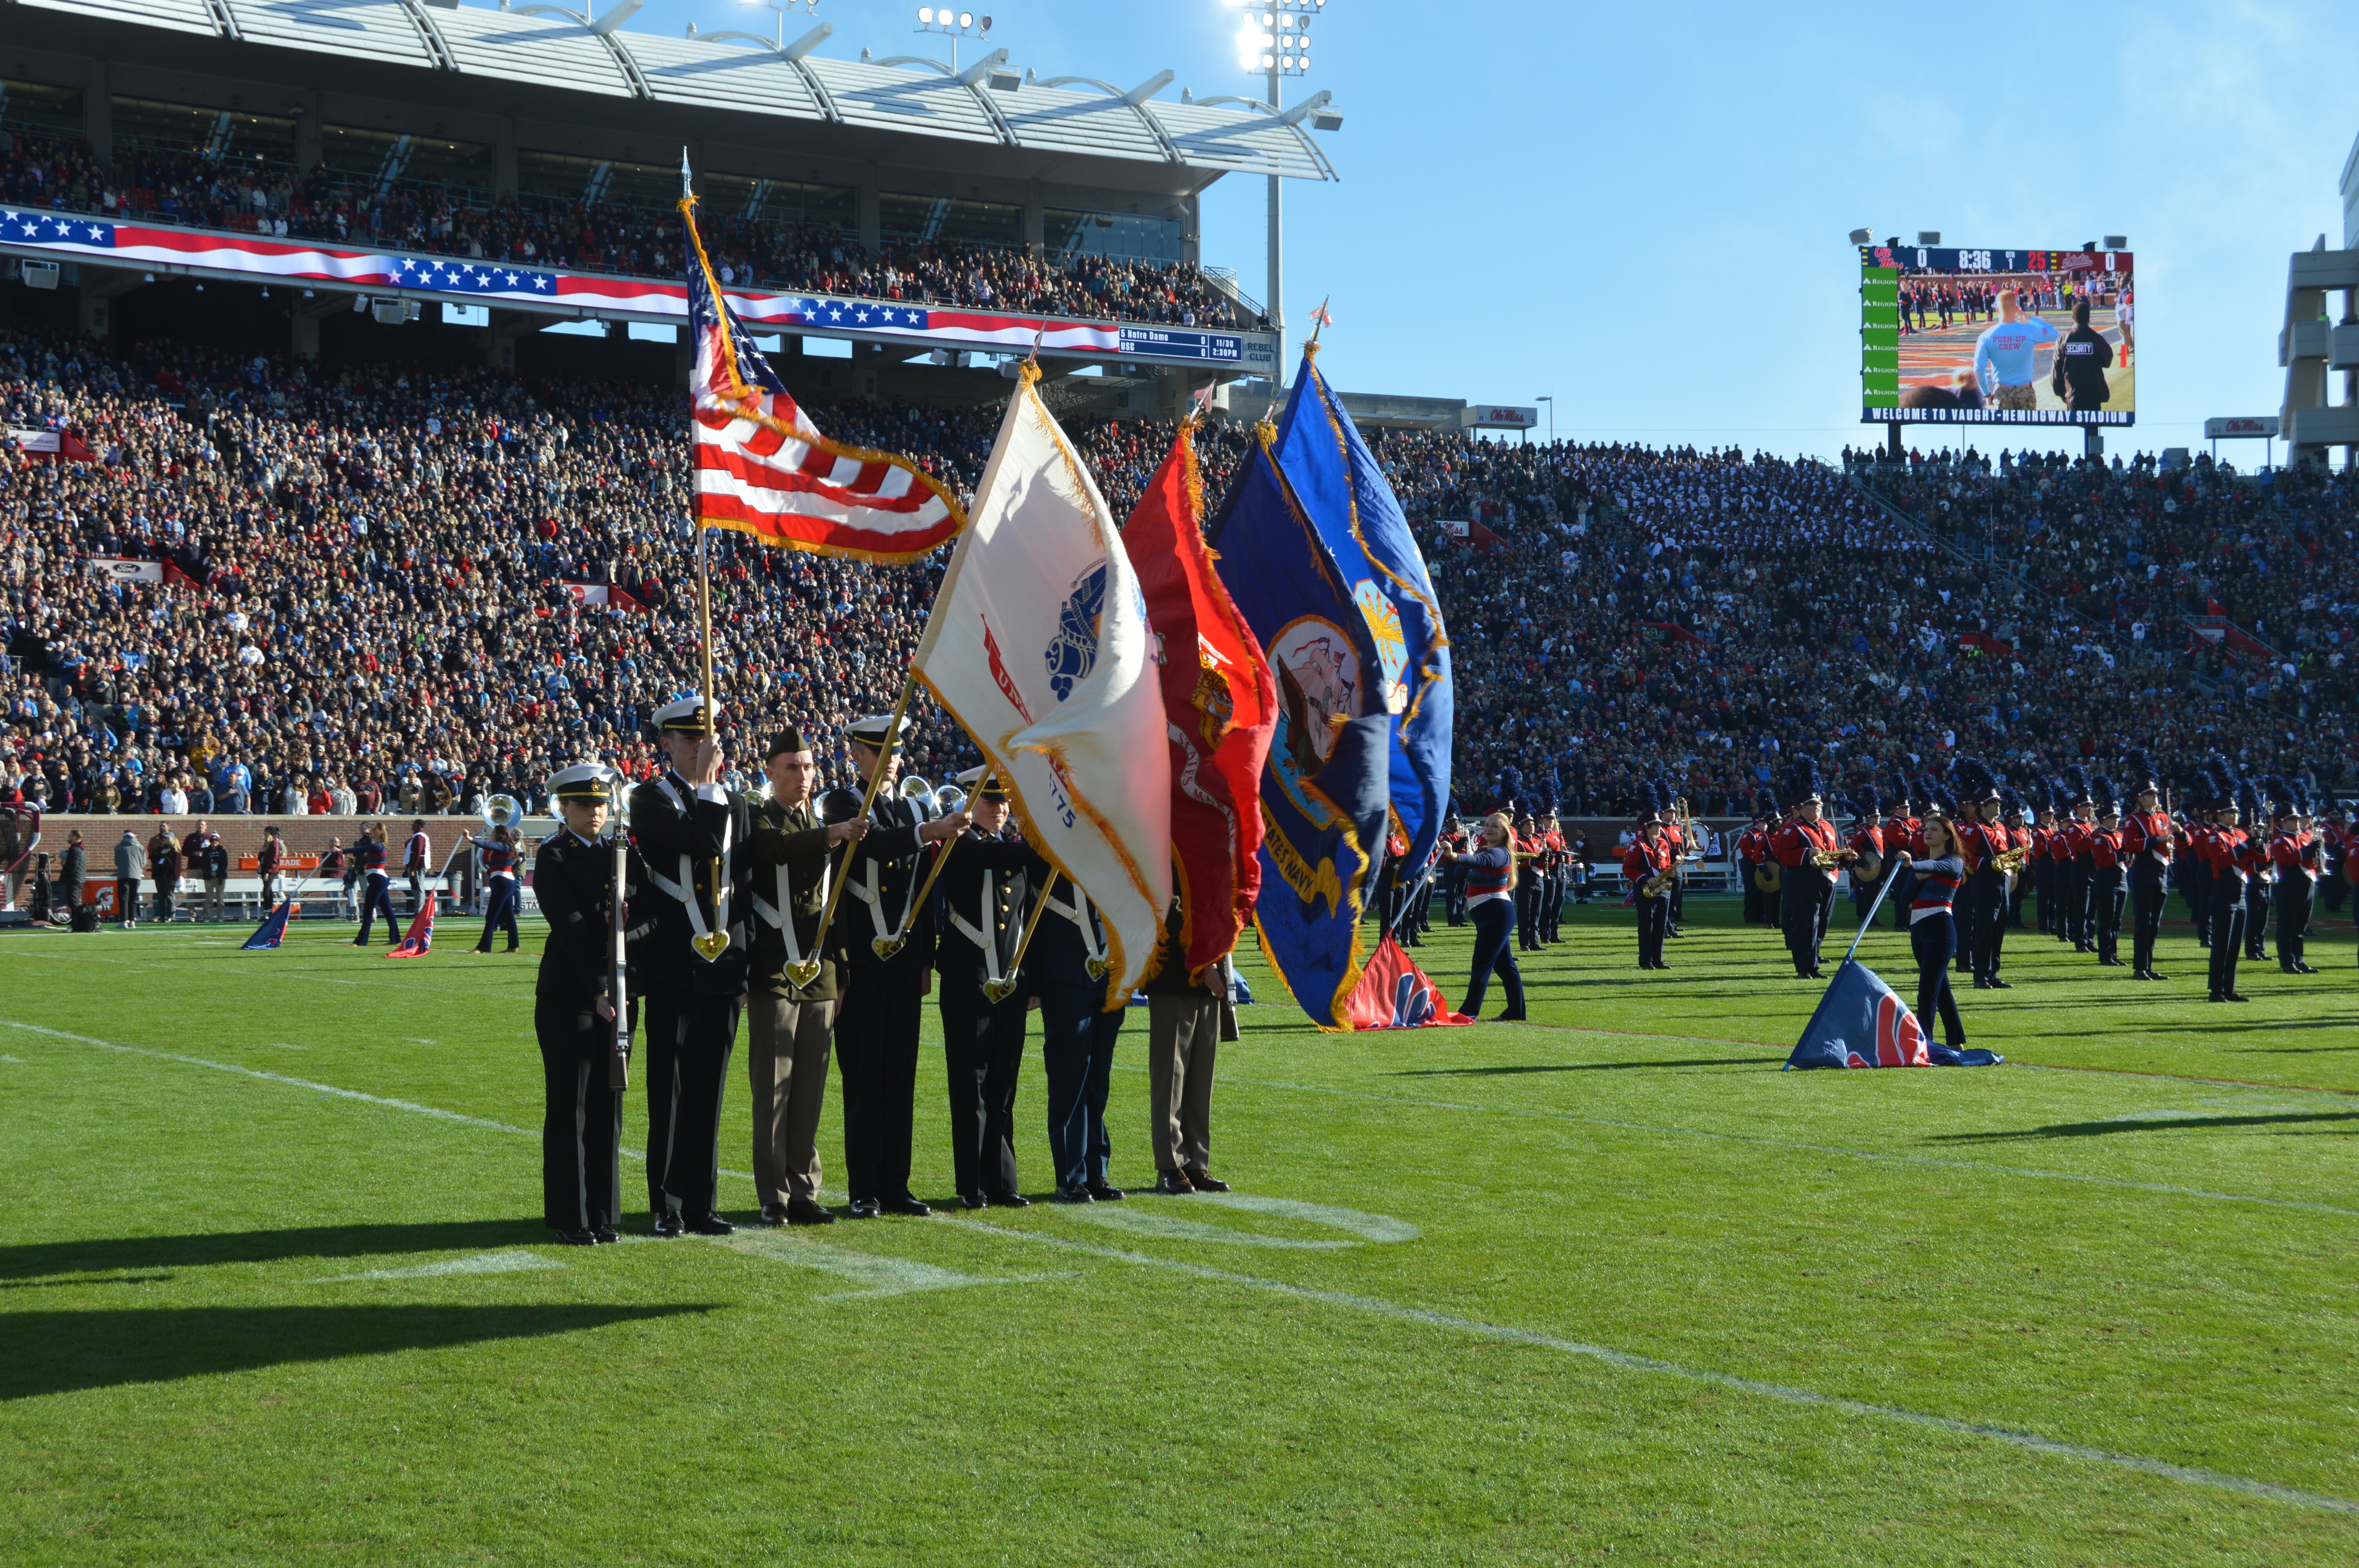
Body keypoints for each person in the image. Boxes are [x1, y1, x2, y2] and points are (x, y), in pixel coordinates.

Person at [630, 693, 754, 1238]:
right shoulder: (650, 798)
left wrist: (746, 960)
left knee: (710, 1091)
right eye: (689, 739)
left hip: (724, 966)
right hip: (675, 965)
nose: (703, 748)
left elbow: (744, 882)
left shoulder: (736, 800)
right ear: (668, 744)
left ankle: (703, 1204)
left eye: (710, 739)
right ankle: (668, 1204)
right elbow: (699, 842)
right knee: (673, 1091)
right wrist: (707, 787)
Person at [834, 712, 966, 1219]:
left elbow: (922, 892)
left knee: (899, 1080)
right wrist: (930, 830)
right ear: (858, 756)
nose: (888, 762)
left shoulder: (910, 804)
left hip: (902, 962)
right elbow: (876, 844)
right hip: (863, 964)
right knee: (865, 1079)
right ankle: (864, 1187)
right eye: (877, 753)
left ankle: (896, 1184)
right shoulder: (847, 803)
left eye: (893, 753)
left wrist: (925, 960)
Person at [744, 724, 865, 1227]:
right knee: (774, 1085)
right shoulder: (756, 817)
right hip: (773, 968)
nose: (803, 776)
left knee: (810, 1088)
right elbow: (774, 851)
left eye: (810, 767)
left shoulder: (817, 821)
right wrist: (832, 834)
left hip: (818, 974)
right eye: (792, 767)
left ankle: (803, 1190)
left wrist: (839, 977)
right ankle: (773, 1193)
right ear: (770, 772)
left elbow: (830, 909)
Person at [531, 763, 641, 1246]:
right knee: (571, 1105)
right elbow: (570, 925)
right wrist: (599, 985)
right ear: (565, 808)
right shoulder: (554, 856)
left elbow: (649, 918)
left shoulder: (624, 854)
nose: (595, 812)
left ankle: (603, 1212)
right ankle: (571, 1215)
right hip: (572, 996)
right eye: (584, 804)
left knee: (608, 1105)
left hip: (620, 993)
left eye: (601, 804)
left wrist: (628, 935)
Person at [934, 767, 1038, 1209]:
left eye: (1004, 802)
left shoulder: (1008, 847)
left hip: (1009, 984)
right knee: (971, 1083)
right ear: (971, 803)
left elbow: (1025, 918)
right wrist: (1041, 842)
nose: (1000, 809)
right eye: (991, 801)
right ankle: (973, 1184)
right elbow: (991, 862)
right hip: (969, 978)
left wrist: (1030, 979)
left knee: (1003, 1084)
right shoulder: (958, 845)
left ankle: (1003, 1180)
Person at [1028, 833, 1127, 1205]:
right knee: (1070, 1077)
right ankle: (1070, 1176)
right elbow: (1030, 916)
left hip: (1107, 975)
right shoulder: (1046, 842)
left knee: (1097, 1077)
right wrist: (1035, 981)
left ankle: (1096, 1172)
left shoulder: (1112, 846)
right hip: (1064, 975)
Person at [1142, 890, 1230, 1196]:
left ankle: (1196, 1163)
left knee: (1200, 1077)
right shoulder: (1171, 845)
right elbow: (1170, 910)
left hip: (1211, 976)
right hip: (1175, 974)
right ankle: (1170, 1163)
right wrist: (1200, 964)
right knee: (1172, 1076)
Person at [1886, 804, 1968, 1053]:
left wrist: (1916, 868)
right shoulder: (1923, 865)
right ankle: (1956, 1040)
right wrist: (1918, 873)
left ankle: (1925, 1045)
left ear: (1947, 836)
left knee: (1926, 992)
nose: (1928, 833)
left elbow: (1936, 868)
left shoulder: (1954, 862)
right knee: (1940, 990)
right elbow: (1905, 898)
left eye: (1934, 830)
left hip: (1940, 930)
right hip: (1919, 931)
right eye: (1925, 830)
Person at [1769, 760, 1852, 979]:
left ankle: (1813, 964)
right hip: (1803, 880)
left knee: (1821, 923)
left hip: (1828, 879)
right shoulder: (1792, 828)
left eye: (1819, 804)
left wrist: (1847, 858)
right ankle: (1804, 968)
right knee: (1806, 923)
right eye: (1813, 805)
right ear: (1801, 808)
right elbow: (1783, 854)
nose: (1818, 807)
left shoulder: (1827, 826)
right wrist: (1808, 855)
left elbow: (1834, 852)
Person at [1451, 811, 1526, 1020]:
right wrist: (1463, 854)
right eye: (1487, 825)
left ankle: (1468, 1013)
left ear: (1504, 833)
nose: (1489, 829)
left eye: (1495, 826)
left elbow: (1485, 862)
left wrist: (1457, 857)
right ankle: (1516, 1011)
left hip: (1497, 914)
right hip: (1488, 916)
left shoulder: (1501, 853)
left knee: (1481, 964)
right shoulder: (1482, 851)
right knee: (1505, 966)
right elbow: (1459, 876)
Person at [2118, 752, 2175, 981]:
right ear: (2140, 798)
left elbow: (2186, 843)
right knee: (2144, 922)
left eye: (2156, 794)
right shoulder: (2133, 819)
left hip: (2162, 872)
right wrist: (2157, 841)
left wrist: (2179, 833)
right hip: (2144, 872)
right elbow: (2129, 845)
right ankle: (2139, 968)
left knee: (2155, 923)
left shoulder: (2164, 816)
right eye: (2151, 795)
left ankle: (2149, 965)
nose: (2156, 797)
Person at [2198, 768, 2250, 1003]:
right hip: (2224, 892)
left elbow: (2259, 860)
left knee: (2235, 946)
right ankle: (2215, 990)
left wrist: (2260, 848)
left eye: (2236, 812)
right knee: (2221, 944)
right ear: (2219, 816)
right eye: (2231, 813)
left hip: (2240, 892)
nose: (2236, 815)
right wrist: (2244, 849)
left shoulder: (2240, 833)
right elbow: (2222, 861)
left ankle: (2229, 988)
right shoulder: (2214, 836)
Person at [2266, 779, 2321, 976]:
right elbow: (2288, 859)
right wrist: (2308, 851)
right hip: (2290, 887)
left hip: (2308, 884)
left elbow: (2312, 860)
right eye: (2294, 820)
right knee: (2287, 926)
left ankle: (2299, 959)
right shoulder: (2280, 840)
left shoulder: (2304, 837)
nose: (2299, 822)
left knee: (2300, 927)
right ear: (2283, 823)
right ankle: (2287, 962)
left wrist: (2317, 854)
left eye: (2298, 819)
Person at [1974, 288, 2060, 411]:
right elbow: (2054, 334)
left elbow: (1978, 370)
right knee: (2027, 429)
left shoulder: (1986, 336)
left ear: (1997, 310)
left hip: (2002, 392)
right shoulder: (2028, 332)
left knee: (2005, 430)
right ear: (2016, 309)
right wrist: (2028, 318)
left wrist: (1987, 395)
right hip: (2026, 392)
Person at [1622, 788, 1675, 970]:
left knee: (1661, 926)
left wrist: (1672, 871)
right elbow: (1628, 869)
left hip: (1664, 889)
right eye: (1657, 826)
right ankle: (1646, 960)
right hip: (1646, 890)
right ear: (1647, 827)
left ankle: (1658, 960)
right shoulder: (1637, 846)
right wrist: (1645, 878)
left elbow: (1666, 864)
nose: (1660, 828)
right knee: (1647, 926)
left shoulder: (1663, 844)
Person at [2088, 779, 2127, 968]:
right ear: (2103, 820)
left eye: (2118, 817)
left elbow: (2124, 857)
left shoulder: (2119, 835)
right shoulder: (2098, 837)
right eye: (2113, 818)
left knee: (2117, 920)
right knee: (2107, 919)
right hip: (2107, 879)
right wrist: (2124, 851)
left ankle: (2113, 952)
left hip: (2121, 879)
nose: (2117, 820)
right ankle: (2105, 955)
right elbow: (2105, 861)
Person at [2053, 299, 2115, 413]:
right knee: (2093, 429)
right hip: (2094, 397)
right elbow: (2108, 360)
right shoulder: (2096, 338)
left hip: (2072, 397)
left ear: (2073, 318)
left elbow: (2056, 373)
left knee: (2075, 429)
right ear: (2089, 319)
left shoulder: (2063, 340)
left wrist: (2062, 393)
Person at [469, 824, 523, 953]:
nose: (492, 834)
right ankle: (513, 946)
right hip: (506, 882)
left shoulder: (501, 845)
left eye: (493, 832)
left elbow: (487, 846)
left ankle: (483, 947)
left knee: (491, 916)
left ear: (498, 835)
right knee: (509, 915)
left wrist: (470, 839)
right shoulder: (507, 846)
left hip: (502, 883)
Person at [353, 824, 399, 944]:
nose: (371, 832)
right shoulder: (378, 846)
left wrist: (340, 851)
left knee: (368, 910)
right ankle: (395, 939)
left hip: (378, 880)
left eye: (373, 830)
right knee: (387, 910)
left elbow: (358, 850)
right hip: (379, 879)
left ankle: (361, 941)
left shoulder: (377, 846)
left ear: (379, 832)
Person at [184, 820, 227, 923]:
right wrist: (194, 853)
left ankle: (206, 915)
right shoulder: (191, 837)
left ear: (206, 827)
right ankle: (192, 914)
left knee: (207, 894)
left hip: (208, 871)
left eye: (203, 825)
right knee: (190, 891)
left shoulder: (210, 837)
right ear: (196, 826)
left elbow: (224, 862)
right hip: (193, 868)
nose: (201, 826)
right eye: (199, 825)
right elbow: (184, 851)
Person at [147, 822, 182, 925]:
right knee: (161, 896)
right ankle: (162, 916)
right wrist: (160, 853)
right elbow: (152, 858)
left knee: (169, 896)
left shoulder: (175, 851)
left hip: (169, 877)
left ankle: (171, 916)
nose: (164, 840)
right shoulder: (160, 849)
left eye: (166, 838)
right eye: (163, 838)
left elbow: (177, 866)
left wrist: (175, 878)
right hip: (159, 875)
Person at [113, 828, 144, 929]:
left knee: (123, 899)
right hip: (136, 875)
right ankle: (133, 921)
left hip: (123, 875)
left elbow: (117, 862)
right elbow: (144, 863)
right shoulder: (140, 847)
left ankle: (124, 921)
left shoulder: (119, 847)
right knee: (133, 899)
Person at [403, 819, 432, 916]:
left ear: (419, 825)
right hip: (418, 865)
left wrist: (413, 869)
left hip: (418, 866)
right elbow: (412, 849)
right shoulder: (418, 836)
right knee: (416, 888)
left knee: (418, 888)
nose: (412, 825)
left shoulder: (419, 837)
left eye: (414, 824)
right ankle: (419, 910)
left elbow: (418, 853)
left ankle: (419, 912)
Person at [55, 829, 84, 926]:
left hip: (74, 880)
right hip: (77, 879)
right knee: (73, 903)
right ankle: (76, 923)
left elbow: (73, 866)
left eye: (70, 836)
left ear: (75, 838)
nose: (69, 837)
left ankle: (75, 924)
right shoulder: (80, 849)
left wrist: (65, 874)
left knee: (74, 904)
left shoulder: (75, 850)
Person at [257, 824, 286, 913]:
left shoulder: (274, 844)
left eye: (265, 832)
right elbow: (262, 858)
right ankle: (269, 910)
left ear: (269, 833)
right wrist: (262, 851)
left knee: (266, 891)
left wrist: (268, 872)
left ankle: (268, 909)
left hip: (270, 871)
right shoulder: (267, 844)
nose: (264, 834)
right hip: (265, 869)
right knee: (268, 890)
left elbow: (274, 859)